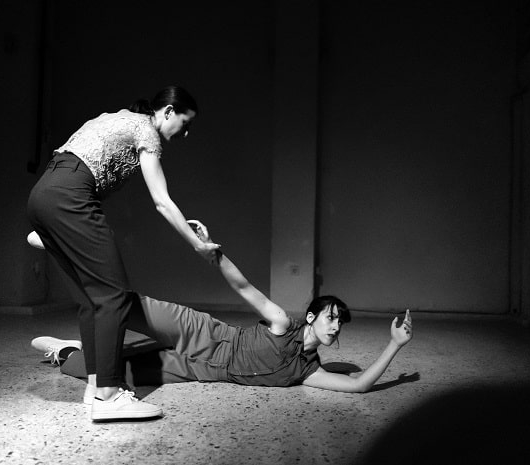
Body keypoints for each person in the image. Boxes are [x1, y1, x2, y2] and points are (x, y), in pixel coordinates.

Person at [28, 221, 413, 399]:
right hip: (201, 332)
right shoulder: (283, 322)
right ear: (312, 317)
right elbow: (243, 287)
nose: (335, 326)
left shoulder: (307, 372)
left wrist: (395, 343)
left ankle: (68, 350)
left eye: (340, 324)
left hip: (198, 370)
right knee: (122, 305)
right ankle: (64, 252)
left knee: (100, 371)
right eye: (331, 317)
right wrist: (214, 253)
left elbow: (359, 386)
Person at [26, 86, 221, 422]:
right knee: (114, 295)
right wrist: (198, 244)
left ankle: (95, 387)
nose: (186, 132)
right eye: (185, 123)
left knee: (92, 299)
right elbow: (162, 201)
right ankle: (109, 395)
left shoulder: (119, 118)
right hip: (68, 198)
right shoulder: (146, 130)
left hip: (43, 196)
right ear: (168, 111)